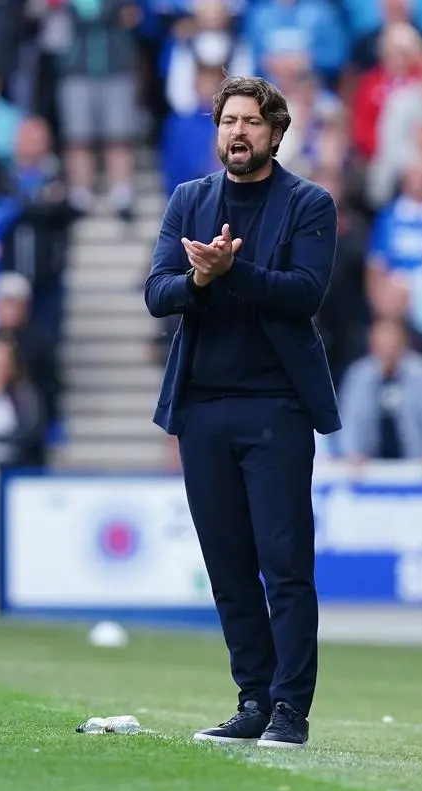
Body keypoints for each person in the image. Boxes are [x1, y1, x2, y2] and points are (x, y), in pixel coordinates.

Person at [144, 75, 340, 749]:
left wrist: (233, 271)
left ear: (276, 133)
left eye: (252, 122)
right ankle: (253, 698)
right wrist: (199, 278)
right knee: (227, 565)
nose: (238, 132)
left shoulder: (309, 203)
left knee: (284, 563)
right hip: (203, 408)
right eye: (228, 120)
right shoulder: (188, 200)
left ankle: (291, 709)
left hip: (277, 407)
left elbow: (305, 293)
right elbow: (157, 291)